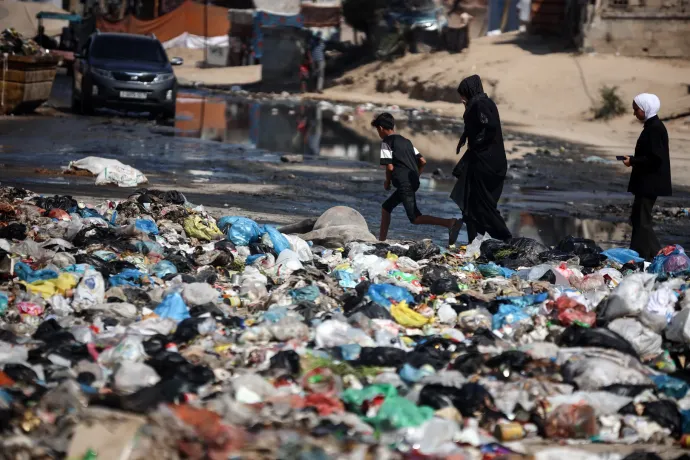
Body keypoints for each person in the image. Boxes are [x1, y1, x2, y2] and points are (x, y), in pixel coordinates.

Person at [372, 112, 459, 242]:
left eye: (378, 131)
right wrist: (416, 176)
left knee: (415, 218)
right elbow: (422, 161)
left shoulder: (386, 142)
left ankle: (450, 222)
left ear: (380, 128)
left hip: (403, 183)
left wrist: (387, 182)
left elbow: (389, 167)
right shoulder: (407, 142)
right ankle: (381, 240)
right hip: (410, 182)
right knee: (386, 207)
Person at [449, 74, 512, 244]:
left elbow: (488, 125)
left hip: (485, 163)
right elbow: (481, 126)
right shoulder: (485, 102)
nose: (462, 99)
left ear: (469, 92)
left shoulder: (479, 104)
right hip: (493, 162)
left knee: (482, 205)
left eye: (463, 94)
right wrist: (466, 138)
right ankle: (476, 243)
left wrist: (476, 144)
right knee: (475, 203)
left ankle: (506, 238)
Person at [623, 93, 671, 260]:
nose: (635, 113)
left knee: (642, 220)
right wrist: (634, 159)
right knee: (638, 218)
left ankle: (659, 255)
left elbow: (656, 159)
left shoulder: (655, 129)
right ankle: (639, 255)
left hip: (650, 183)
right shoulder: (651, 127)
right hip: (646, 182)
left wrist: (633, 161)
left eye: (636, 109)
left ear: (645, 109)